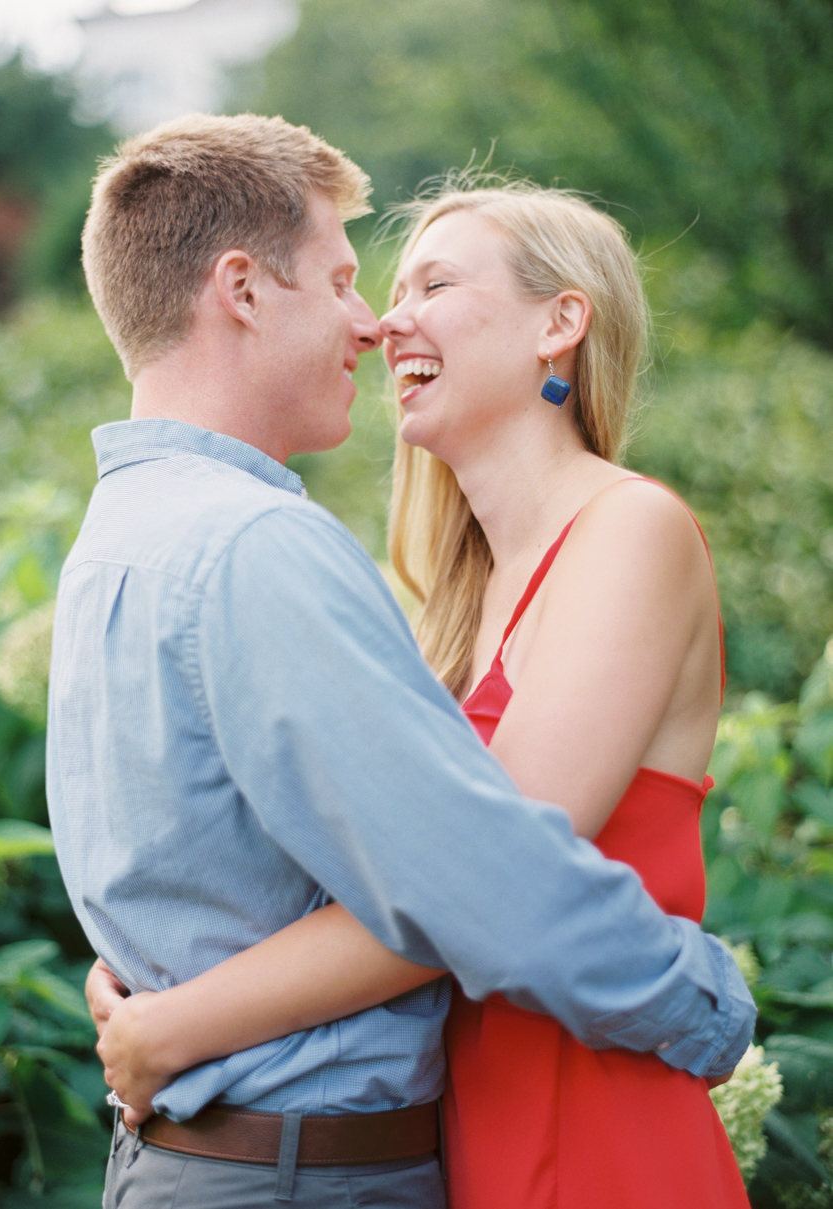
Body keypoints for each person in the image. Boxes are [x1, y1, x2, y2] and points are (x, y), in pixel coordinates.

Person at [48, 113, 754, 1209]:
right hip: (450, 1115)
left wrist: (173, 1018)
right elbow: (419, 874)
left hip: (579, 1103)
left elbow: (472, 883)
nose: (382, 321)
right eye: (366, 284)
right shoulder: (429, 596)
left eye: (429, 285)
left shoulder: (628, 533)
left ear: (559, 323)